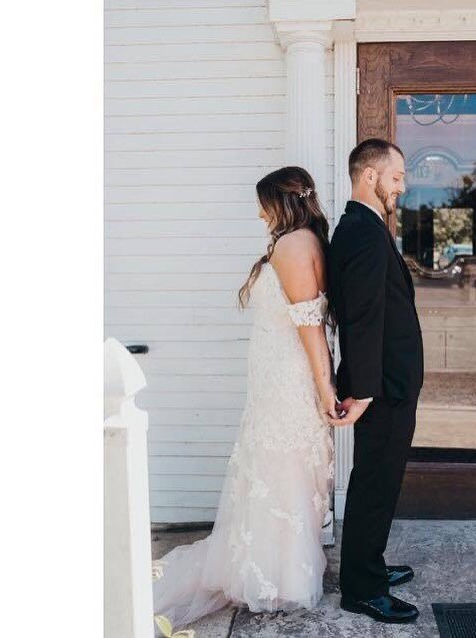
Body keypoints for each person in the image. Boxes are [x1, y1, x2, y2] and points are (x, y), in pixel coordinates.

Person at [152, 166, 338, 630]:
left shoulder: (294, 245)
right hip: (278, 377)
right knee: (281, 468)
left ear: (282, 201)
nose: (258, 213)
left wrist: (324, 389)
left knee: (281, 468)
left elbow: (310, 328)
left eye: (263, 203)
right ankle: (276, 567)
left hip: (289, 382)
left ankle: (279, 576)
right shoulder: (303, 239)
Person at [327, 138, 424, 624]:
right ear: (370, 176)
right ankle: (362, 588)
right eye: (397, 176)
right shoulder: (362, 232)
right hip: (381, 387)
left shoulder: (364, 226)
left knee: (380, 481)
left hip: (387, 383)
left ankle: (372, 567)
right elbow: (363, 317)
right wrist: (362, 390)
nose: (402, 187)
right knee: (373, 482)